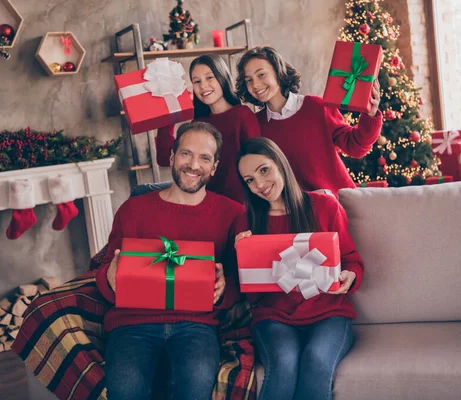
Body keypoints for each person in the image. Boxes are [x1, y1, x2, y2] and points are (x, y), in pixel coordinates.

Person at [96, 121, 245, 400]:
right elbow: (105, 270)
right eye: (186, 154)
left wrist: (225, 288)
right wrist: (109, 276)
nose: (193, 165)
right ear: (172, 157)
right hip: (132, 323)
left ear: (213, 167)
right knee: (125, 390)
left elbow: (242, 280)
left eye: (204, 158)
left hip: (196, 325)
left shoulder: (233, 214)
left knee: (196, 385)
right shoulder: (134, 209)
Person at [234, 137, 364, 400]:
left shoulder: (324, 207)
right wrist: (244, 257)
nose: (259, 185)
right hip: (274, 317)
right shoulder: (246, 222)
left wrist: (350, 275)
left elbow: (351, 260)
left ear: (280, 163)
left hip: (328, 314)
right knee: (283, 364)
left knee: (316, 360)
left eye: (264, 170)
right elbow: (248, 293)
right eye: (249, 180)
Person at [236, 46, 383, 195]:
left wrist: (370, 115)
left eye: (261, 75)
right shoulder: (255, 125)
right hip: (301, 213)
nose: (255, 85)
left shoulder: (315, 107)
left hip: (341, 202)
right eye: (248, 80)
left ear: (278, 72)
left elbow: (355, 147)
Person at [133, 54, 261, 204]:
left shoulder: (242, 115)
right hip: (199, 191)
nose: (203, 86)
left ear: (222, 77)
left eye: (209, 78)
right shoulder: (199, 122)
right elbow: (164, 158)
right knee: (140, 192)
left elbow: (256, 162)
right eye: (196, 81)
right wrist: (169, 117)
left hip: (232, 199)